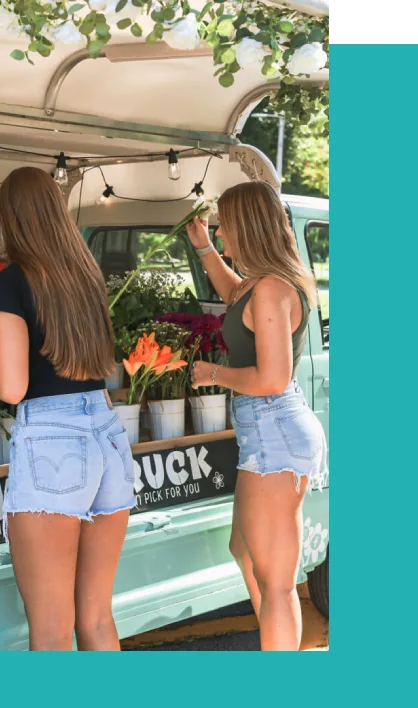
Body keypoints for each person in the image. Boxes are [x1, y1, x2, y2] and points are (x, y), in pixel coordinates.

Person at [0, 166, 135, 651]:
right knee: (96, 619)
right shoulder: (86, 276)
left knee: (51, 631)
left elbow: (11, 388)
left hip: (52, 440)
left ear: (11, 218)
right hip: (107, 434)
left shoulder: (11, 282)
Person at [186, 181, 327, 651]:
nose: (222, 231)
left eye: (224, 224)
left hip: (273, 429)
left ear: (247, 225)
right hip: (267, 430)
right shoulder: (260, 286)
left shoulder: (270, 289)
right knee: (244, 552)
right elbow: (233, 296)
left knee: (277, 581)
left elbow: (270, 378)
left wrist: (214, 374)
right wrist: (204, 247)